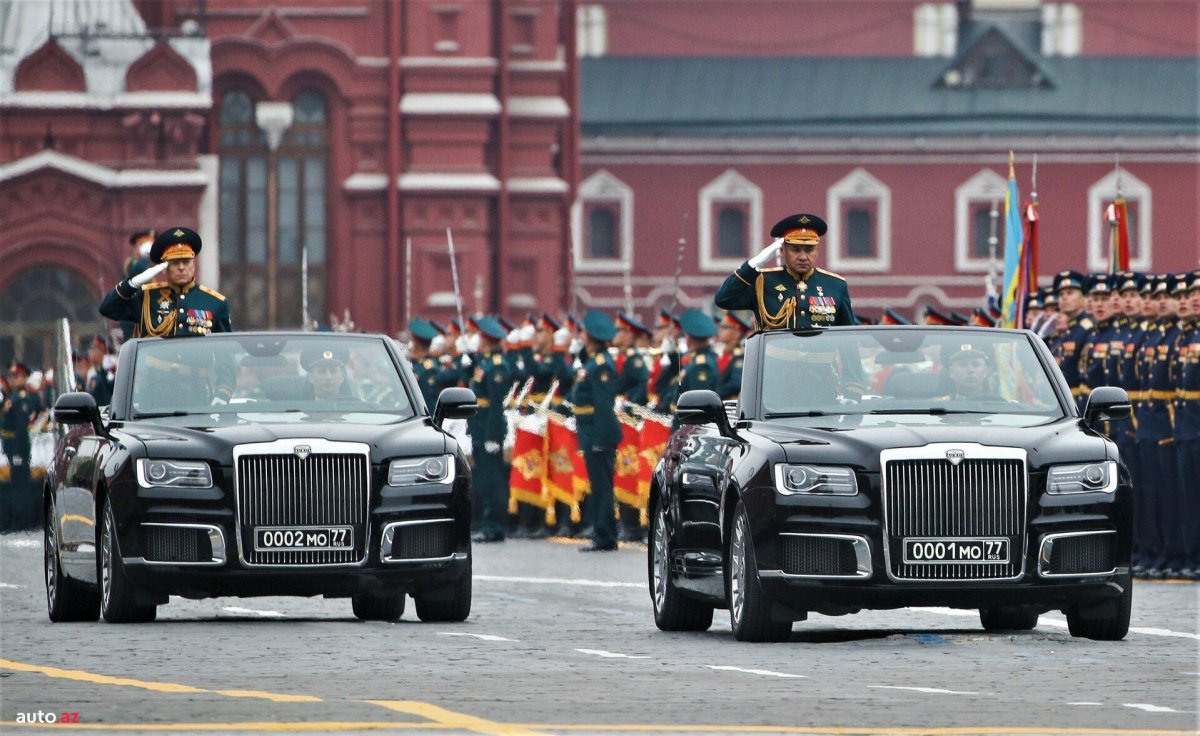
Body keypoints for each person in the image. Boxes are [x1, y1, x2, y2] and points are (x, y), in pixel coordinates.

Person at [715, 213, 855, 330]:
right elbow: (723, 299)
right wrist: (753, 264)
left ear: (817, 250)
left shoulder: (836, 285)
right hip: (776, 363)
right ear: (782, 250)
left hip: (821, 363)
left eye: (809, 250)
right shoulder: (763, 282)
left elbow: (848, 336)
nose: (803, 257)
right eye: (795, 249)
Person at [100, 227, 233, 339]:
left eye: (186, 262)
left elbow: (225, 352)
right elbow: (108, 308)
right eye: (174, 263)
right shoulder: (147, 297)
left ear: (193, 265)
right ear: (164, 269)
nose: (181, 267)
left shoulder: (215, 303)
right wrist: (133, 283)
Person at [571, 311, 622, 552]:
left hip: (598, 432)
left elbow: (603, 405)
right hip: (590, 430)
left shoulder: (601, 365)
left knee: (602, 486)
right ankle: (603, 531)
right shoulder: (593, 361)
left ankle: (604, 536)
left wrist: (601, 439)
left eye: (583, 332)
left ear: (590, 336)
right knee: (598, 484)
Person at [468, 316, 512, 543]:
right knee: (485, 480)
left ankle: (494, 526)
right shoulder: (485, 363)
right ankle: (488, 523)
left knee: (493, 480)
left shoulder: (497, 367)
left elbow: (496, 404)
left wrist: (493, 435)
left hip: (488, 428)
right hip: (479, 426)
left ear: (486, 339)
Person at [1, 362, 39, 531]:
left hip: (18, 448)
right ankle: (16, 520)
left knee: (21, 486)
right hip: (10, 446)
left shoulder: (22, 399)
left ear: (24, 378)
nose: (13, 379)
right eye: (12, 376)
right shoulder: (13, 397)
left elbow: (21, 429)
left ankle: (22, 521)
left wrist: (18, 452)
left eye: (16, 376)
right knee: (14, 485)